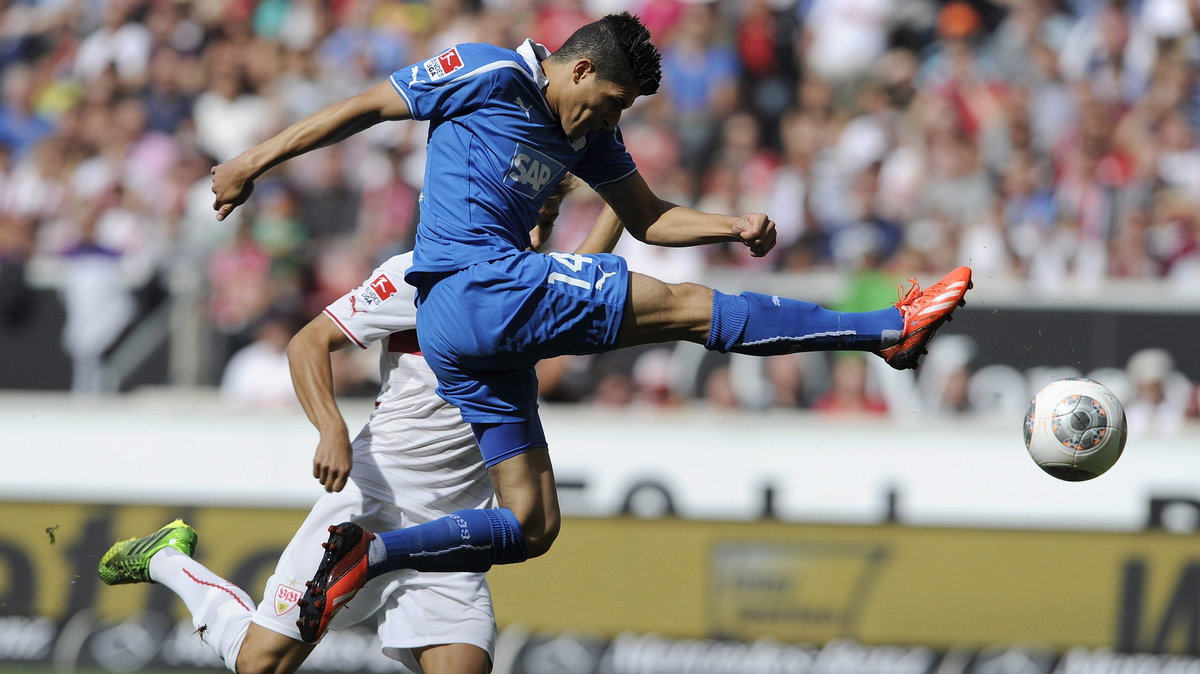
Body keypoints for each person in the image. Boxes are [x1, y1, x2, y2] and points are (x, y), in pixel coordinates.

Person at [209, 12, 973, 643]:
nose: (608, 121)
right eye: (608, 101)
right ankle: (887, 330)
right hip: (475, 286)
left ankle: (370, 556)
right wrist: (253, 159)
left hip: (476, 334)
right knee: (684, 309)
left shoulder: (591, 134)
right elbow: (365, 107)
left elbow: (645, 215)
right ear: (576, 69)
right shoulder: (485, 72)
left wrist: (730, 224)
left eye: (621, 113)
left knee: (534, 523)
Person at [97, 181, 622, 674]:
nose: (536, 235)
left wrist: (625, 195)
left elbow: (587, 277)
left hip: (453, 528)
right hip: (371, 501)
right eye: (530, 217)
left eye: (548, 220)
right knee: (261, 663)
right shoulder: (423, 273)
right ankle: (166, 558)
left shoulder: (539, 283)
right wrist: (331, 429)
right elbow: (308, 341)